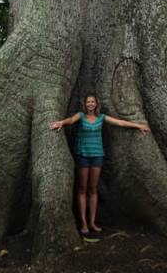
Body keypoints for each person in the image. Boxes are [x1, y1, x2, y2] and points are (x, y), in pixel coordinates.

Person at [50, 93, 150, 235]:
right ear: (85, 104)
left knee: (93, 189)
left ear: (96, 104)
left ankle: (92, 222)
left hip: (97, 155)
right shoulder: (81, 116)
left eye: (93, 102)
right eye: (88, 101)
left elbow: (119, 122)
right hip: (83, 155)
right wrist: (61, 123)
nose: (90, 104)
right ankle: (83, 223)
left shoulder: (101, 117)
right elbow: (71, 120)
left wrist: (138, 126)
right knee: (83, 189)